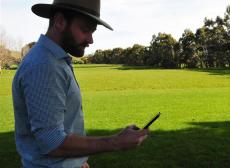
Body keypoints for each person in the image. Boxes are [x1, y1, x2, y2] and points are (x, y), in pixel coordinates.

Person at [12, 0, 149, 167]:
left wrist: (77, 160)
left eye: (92, 32)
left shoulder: (55, 60)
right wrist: (116, 142)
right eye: (85, 30)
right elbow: (52, 142)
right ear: (60, 21)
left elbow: (59, 128)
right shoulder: (45, 65)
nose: (90, 40)